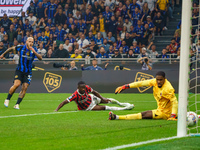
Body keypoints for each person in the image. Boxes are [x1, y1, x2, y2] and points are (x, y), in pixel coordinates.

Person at [109, 71, 178, 121]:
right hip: (160, 109)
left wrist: (173, 116)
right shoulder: (154, 82)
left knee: (144, 114)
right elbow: (141, 83)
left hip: (166, 113)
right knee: (145, 114)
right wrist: (125, 86)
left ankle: (117, 117)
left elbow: (174, 102)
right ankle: (116, 117)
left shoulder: (168, 89)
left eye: (161, 80)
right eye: (157, 79)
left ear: (164, 79)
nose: (159, 81)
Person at [0, 37, 42, 109]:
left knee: (25, 87)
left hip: (28, 72)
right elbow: (11, 48)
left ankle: (17, 104)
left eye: (32, 42)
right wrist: (3, 54)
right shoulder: (21, 48)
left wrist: (34, 52)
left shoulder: (34, 49)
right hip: (19, 70)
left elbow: (40, 58)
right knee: (17, 84)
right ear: (26, 42)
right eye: (29, 41)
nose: (31, 43)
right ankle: (7, 99)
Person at [55, 81, 134, 111]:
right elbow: (64, 102)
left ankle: (121, 104)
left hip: (92, 98)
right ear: (78, 88)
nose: (83, 89)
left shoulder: (87, 88)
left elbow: (95, 92)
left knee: (107, 100)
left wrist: (102, 98)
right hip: (87, 107)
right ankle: (125, 108)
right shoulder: (74, 95)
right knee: (105, 108)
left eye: (84, 87)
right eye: (81, 88)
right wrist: (56, 109)